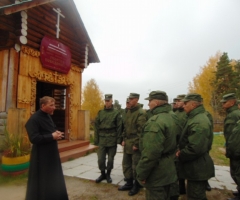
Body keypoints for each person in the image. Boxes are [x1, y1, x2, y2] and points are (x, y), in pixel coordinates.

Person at [136, 91, 178, 200]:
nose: (148, 104)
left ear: (157, 102)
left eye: (150, 101)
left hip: (157, 173)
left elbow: (151, 153)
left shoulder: (155, 122)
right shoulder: (172, 117)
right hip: (169, 169)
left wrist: (142, 173)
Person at [25, 96, 68, 200]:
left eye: (54, 105)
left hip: (51, 154)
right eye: (51, 105)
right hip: (41, 156)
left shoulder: (48, 116)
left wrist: (56, 133)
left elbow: (49, 130)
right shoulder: (34, 119)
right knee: (43, 181)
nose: (54, 107)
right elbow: (34, 138)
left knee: (54, 179)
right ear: (43, 106)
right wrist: (51, 136)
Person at [176, 93, 215, 200]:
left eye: (185, 103)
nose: (183, 106)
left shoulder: (199, 121)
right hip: (195, 166)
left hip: (197, 168)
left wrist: (181, 154)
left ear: (193, 105)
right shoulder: (194, 117)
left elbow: (196, 148)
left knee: (196, 195)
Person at [118, 93, 147, 196]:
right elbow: (125, 127)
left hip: (135, 143)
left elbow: (141, 131)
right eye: (129, 98)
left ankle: (137, 185)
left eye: (131, 99)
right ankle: (129, 183)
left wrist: (137, 144)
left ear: (137, 99)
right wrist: (123, 139)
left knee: (136, 166)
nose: (129, 100)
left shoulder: (141, 113)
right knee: (126, 164)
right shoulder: (129, 111)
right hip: (127, 142)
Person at [94, 94, 122, 183]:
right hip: (102, 139)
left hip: (112, 139)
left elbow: (119, 127)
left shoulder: (116, 113)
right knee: (101, 159)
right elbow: (96, 126)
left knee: (110, 159)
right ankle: (102, 174)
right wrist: (96, 140)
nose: (107, 102)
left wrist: (118, 140)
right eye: (105, 101)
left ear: (112, 101)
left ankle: (108, 174)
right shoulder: (100, 112)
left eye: (108, 101)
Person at [221, 93, 240, 199]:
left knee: (236, 171)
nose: (223, 105)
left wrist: (233, 149)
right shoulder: (232, 113)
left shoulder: (234, 114)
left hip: (236, 148)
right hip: (234, 146)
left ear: (232, 102)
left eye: (225, 102)